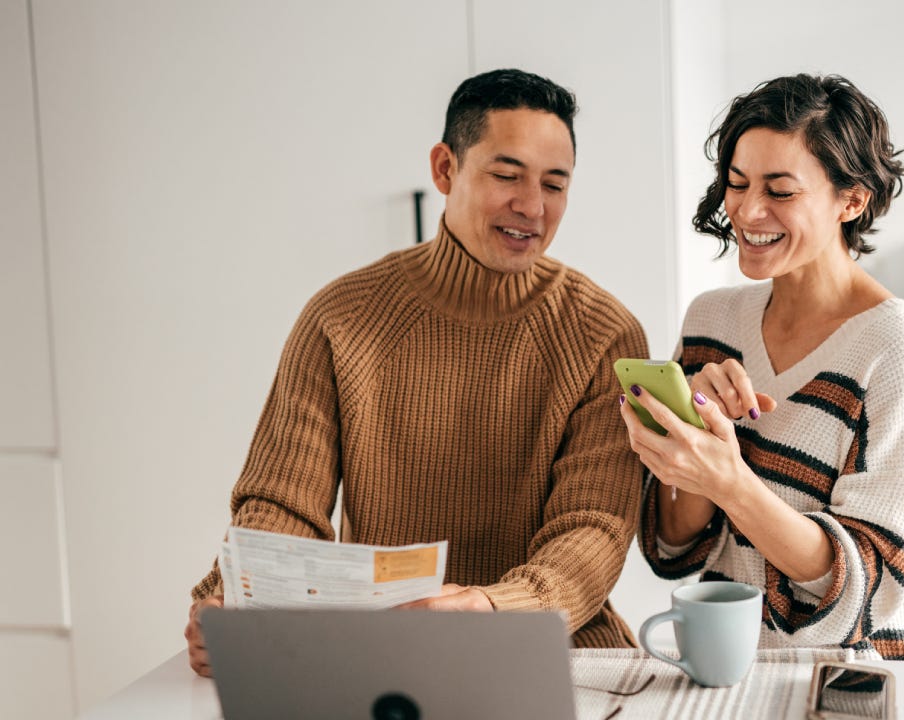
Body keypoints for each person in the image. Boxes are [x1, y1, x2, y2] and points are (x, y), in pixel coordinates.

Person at [185, 68, 648, 676]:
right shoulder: (339, 318)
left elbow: (593, 530)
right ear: (444, 169)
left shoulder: (604, 334)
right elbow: (282, 505)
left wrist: (492, 608)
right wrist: (235, 596)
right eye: (507, 175)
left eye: (554, 185)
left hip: (558, 658)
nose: (532, 207)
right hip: (385, 658)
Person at [619, 74, 904, 660]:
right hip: (736, 662)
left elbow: (862, 591)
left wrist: (731, 480)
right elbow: (671, 548)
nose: (747, 210)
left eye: (780, 190)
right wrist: (697, 436)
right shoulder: (713, 320)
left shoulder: (898, 347)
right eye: (736, 182)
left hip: (865, 672)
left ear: (852, 200)